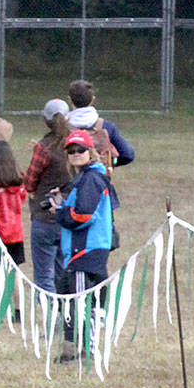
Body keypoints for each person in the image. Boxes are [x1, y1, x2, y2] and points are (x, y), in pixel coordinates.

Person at [49, 128, 114, 363]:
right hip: (80, 251)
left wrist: (60, 212)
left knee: (80, 303)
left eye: (80, 150)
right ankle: (71, 351)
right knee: (70, 300)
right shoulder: (85, 178)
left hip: (85, 251)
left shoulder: (91, 179)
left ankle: (86, 352)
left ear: (90, 152)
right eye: (71, 151)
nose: (75, 154)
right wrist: (63, 204)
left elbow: (84, 215)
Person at [21, 99, 71, 294]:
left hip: (45, 218)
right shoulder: (76, 144)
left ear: (45, 119)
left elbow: (30, 183)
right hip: (69, 216)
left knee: (43, 276)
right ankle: (64, 308)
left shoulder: (43, 148)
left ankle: (51, 309)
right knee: (63, 272)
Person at [67, 79, 135, 173]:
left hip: (71, 180)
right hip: (99, 179)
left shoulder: (62, 127)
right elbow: (127, 155)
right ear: (93, 99)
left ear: (70, 100)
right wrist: (109, 163)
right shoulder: (106, 126)